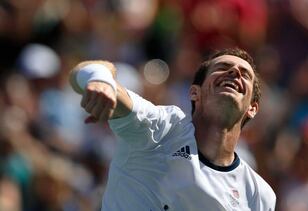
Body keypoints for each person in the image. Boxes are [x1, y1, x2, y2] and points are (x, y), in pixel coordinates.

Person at [69, 48, 276, 210]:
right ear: (195, 93)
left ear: (252, 108)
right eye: (223, 67)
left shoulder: (259, 195)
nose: (234, 72)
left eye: (245, 74)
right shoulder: (161, 128)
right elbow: (90, 69)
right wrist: (101, 81)